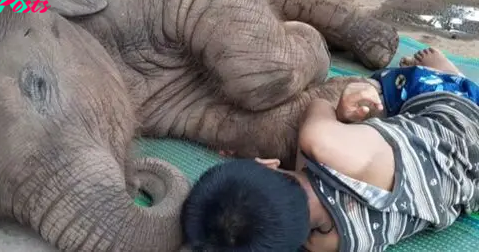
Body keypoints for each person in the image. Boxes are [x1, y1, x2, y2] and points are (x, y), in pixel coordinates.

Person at [181, 47, 479, 252]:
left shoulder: (326, 243)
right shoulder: (321, 143)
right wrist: (343, 109)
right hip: (459, 127)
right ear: (268, 164)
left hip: (469, 191)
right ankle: (454, 76)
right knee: (391, 85)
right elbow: (319, 105)